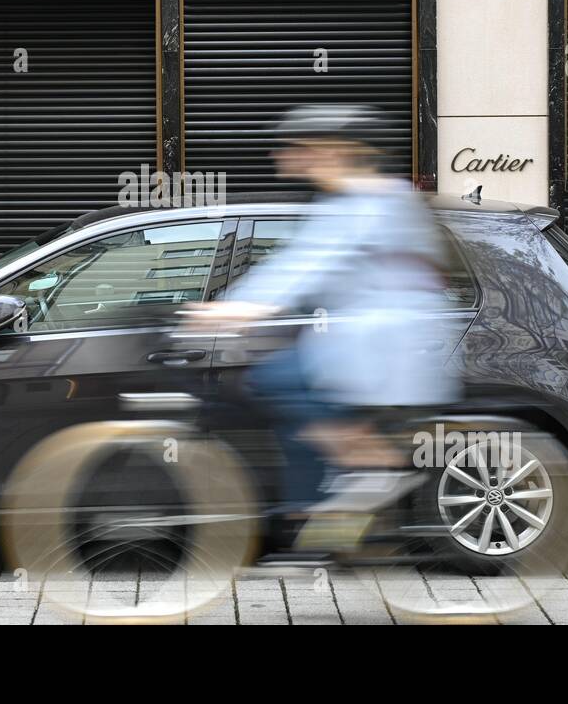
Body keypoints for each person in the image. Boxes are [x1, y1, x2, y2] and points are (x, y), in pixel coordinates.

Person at [184, 104, 457, 556]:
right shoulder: (355, 199)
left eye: (296, 146)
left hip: (384, 341)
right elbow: (300, 263)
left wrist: (239, 309)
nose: (283, 154)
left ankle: (374, 469)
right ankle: (315, 520)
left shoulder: (369, 199)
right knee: (294, 406)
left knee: (277, 378)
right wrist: (242, 306)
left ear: (332, 151)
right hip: (364, 340)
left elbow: (308, 265)